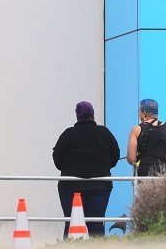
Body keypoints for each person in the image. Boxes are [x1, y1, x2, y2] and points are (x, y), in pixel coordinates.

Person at [52, 100, 121, 238]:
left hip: (70, 187)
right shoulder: (104, 133)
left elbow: (57, 159)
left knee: (71, 223)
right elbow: (115, 156)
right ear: (93, 114)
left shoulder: (68, 134)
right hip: (100, 185)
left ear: (77, 116)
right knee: (95, 224)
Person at [127, 98, 166, 177]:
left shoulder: (136, 129)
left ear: (144, 114)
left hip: (146, 177)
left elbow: (131, 159)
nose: (139, 115)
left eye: (139, 112)